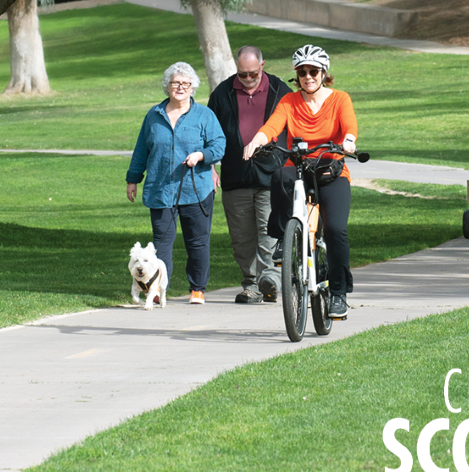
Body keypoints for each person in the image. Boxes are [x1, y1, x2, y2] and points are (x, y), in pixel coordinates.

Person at [242, 45, 358, 320]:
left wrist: (349, 141)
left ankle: (338, 293)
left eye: (313, 71)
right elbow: (273, 126)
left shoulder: (340, 99)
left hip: (331, 171)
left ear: (323, 73)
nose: (308, 77)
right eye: (302, 72)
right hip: (300, 167)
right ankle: (285, 236)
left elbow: (349, 125)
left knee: (336, 230)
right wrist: (257, 140)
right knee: (280, 175)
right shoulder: (289, 101)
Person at [126, 62, 225, 305]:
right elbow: (141, 150)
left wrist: (201, 155)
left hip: (196, 189)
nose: (180, 87)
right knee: (161, 245)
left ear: (192, 87)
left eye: (185, 84)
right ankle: (156, 290)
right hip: (161, 190)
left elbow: (219, 145)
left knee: (197, 241)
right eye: (175, 83)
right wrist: (133, 179)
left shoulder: (204, 115)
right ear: (167, 86)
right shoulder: (154, 115)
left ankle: (197, 289)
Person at [207, 45, 289, 304]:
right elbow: (209, 134)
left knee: (268, 231)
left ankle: (269, 280)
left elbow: (293, 129)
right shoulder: (222, 93)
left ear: (262, 65)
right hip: (236, 174)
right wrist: (211, 167)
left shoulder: (280, 91)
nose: (248, 78)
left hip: (272, 174)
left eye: (253, 73)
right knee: (241, 237)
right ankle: (251, 284)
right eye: (242, 74)